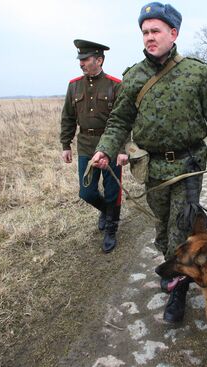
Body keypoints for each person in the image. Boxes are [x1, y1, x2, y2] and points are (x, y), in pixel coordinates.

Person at [91, 2, 207, 323]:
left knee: (181, 226)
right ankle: (170, 260)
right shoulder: (133, 77)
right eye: (145, 32)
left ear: (173, 33)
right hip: (154, 168)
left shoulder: (196, 73)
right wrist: (106, 149)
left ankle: (178, 291)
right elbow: (119, 120)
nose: (149, 37)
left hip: (189, 164)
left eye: (155, 31)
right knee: (162, 227)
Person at [60, 39, 128, 253]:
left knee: (111, 190)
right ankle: (107, 212)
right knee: (86, 192)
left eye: (85, 59)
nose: (81, 63)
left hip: (111, 145)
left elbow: (124, 121)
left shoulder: (116, 85)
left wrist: (123, 150)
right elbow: (68, 118)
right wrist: (66, 144)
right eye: (80, 59)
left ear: (99, 60)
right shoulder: (74, 86)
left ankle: (111, 228)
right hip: (86, 146)